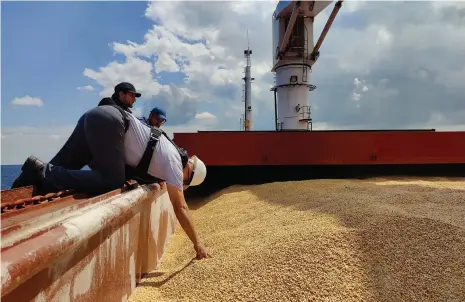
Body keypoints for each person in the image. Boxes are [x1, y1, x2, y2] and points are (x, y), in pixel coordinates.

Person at [11, 82, 212, 260]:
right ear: (189, 171)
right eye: (185, 181)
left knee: (65, 167)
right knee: (111, 181)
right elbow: (181, 208)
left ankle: (31, 178)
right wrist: (198, 244)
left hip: (97, 115)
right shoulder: (176, 164)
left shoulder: (168, 150)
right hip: (112, 123)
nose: (180, 183)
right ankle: (40, 170)